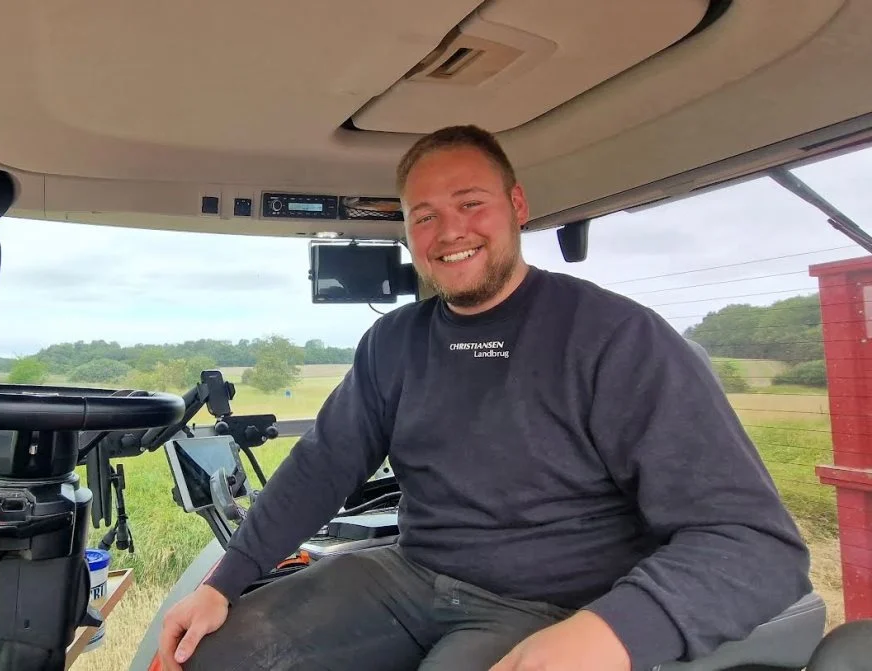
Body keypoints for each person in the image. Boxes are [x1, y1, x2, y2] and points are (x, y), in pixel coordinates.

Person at [156, 125, 812, 670]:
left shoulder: (617, 338)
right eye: (425, 216)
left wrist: (611, 631)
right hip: (408, 574)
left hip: (555, 601)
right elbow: (322, 466)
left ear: (517, 206)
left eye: (471, 204)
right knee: (215, 655)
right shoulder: (393, 342)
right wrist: (224, 580)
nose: (450, 232)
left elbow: (755, 542)